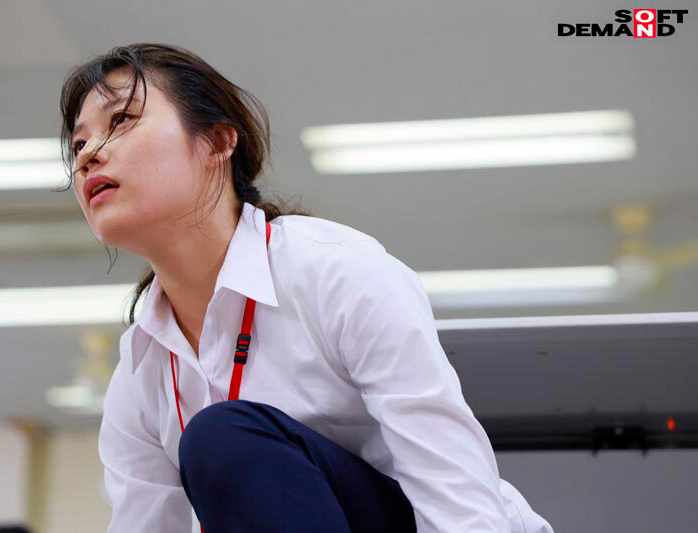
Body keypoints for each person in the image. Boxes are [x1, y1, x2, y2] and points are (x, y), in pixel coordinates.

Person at [59, 43, 553, 533]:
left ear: (217, 142)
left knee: (225, 438)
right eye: (79, 145)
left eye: (121, 120)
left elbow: (454, 490)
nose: (88, 157)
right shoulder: (140, 371)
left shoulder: (336, 272)